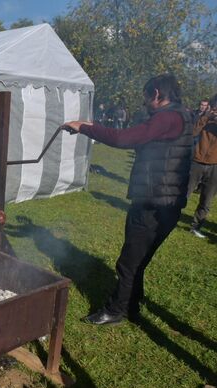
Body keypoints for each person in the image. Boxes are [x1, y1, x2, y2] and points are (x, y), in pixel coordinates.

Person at [64, 74, 193, 325]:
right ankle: (132, 305)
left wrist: (83, 127)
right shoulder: (182, 115)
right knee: (139, 260)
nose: (144, 103)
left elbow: (123, 139)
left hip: (153, 204)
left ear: (156, 93)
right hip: (166, 203)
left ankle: (115, 311)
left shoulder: (166, 117)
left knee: (129, 262)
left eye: (146, 97)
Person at [187, 94, 217, 238]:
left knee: (207, 199)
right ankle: (170, 217)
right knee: (185, 192)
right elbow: (192, 132)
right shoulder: (204, 119)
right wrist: (206, 118)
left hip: (215, 165)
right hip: (197, 161)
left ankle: (195, 227)